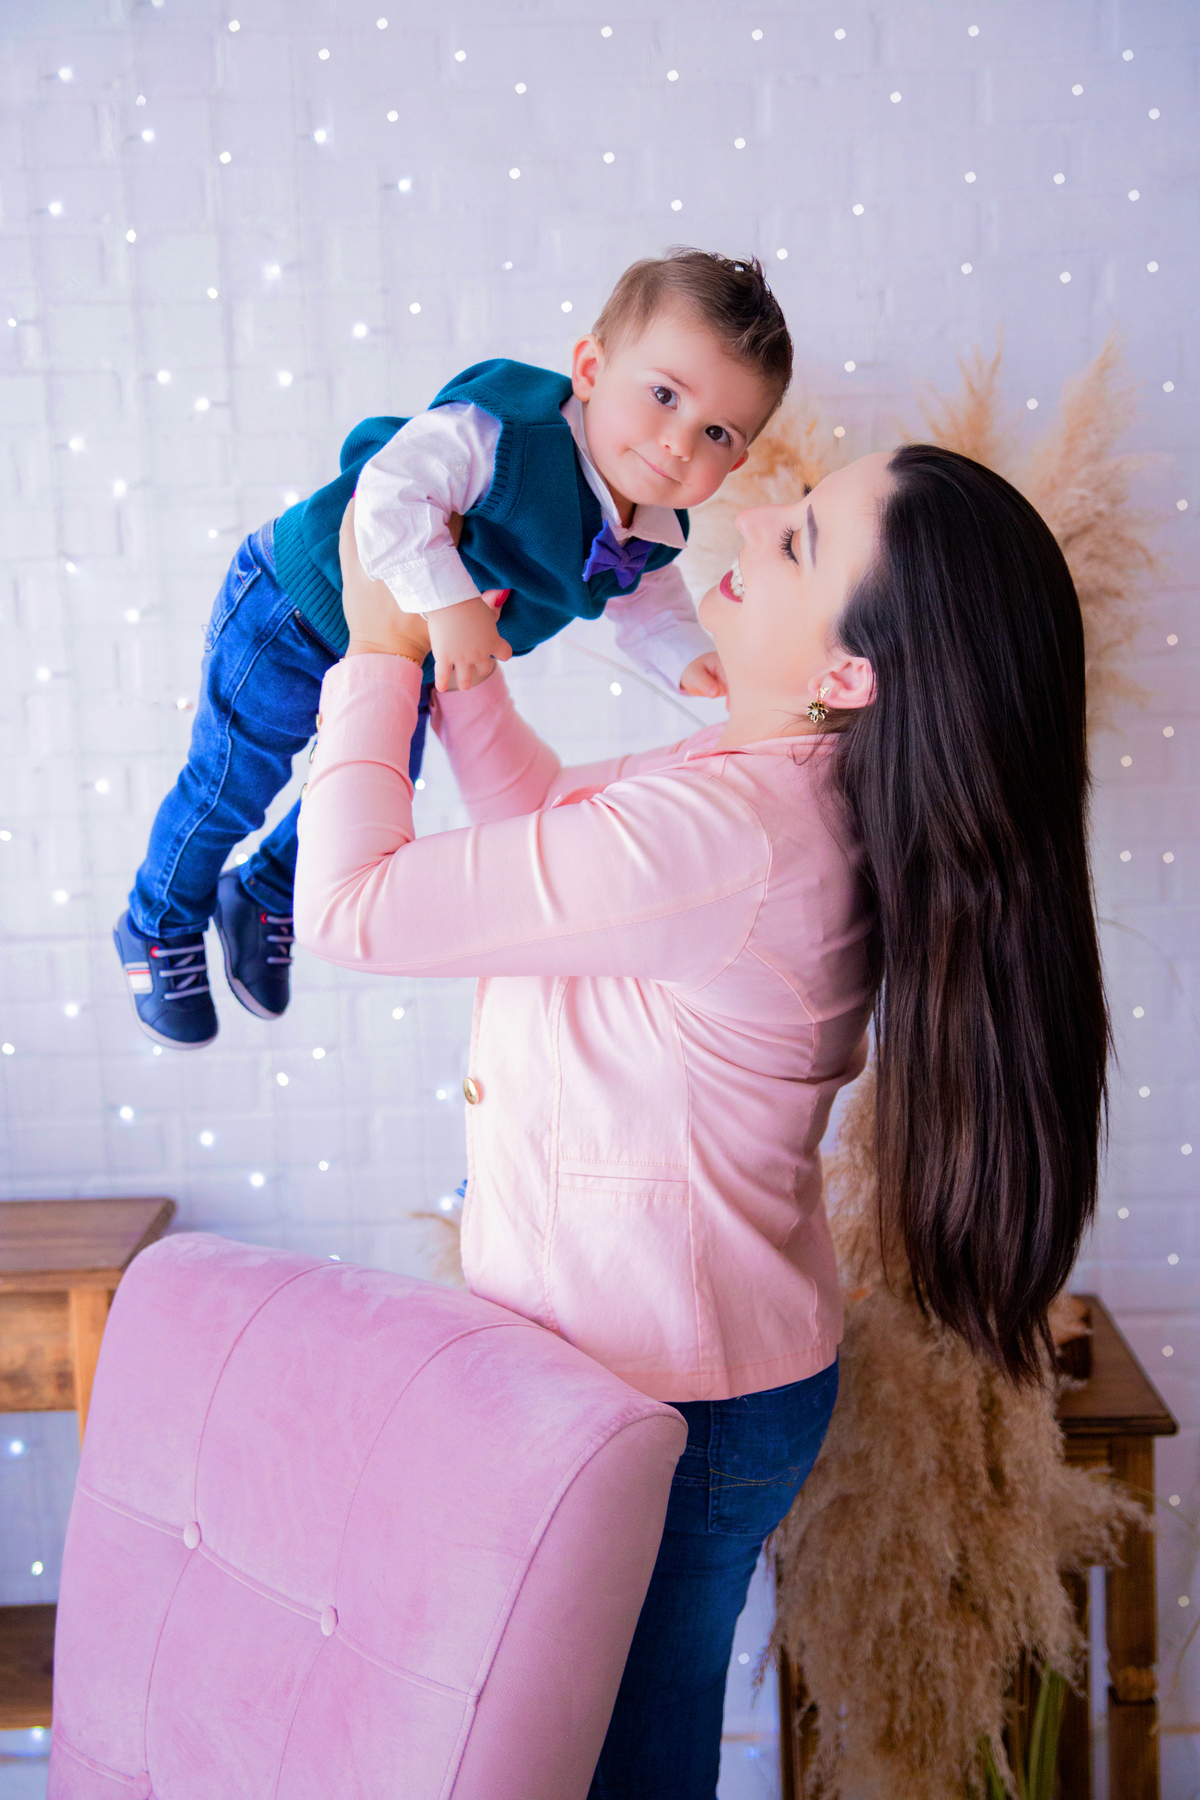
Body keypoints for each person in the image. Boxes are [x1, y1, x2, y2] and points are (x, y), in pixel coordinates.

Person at [293, 443, 1109, 1798]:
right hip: (682, 1377)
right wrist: (467, 679)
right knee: (601, 1744)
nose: (756, 518)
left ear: (848, 675)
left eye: (799, 541)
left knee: (617, 1761)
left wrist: (377, 661)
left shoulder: (737, 830)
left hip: (674, 1395)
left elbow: (349, 909)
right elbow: (563, 854)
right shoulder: (768, 783)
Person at [112, 249, 792, 1050]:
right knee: (235, 779)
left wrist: (691, 660)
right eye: (664, 395)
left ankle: (264, 892)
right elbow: (390, 491)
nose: (679, 442)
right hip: (296, 606)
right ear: (589, 368)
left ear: (738, 458)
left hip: (395, 663)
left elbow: (644, 604)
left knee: (376, 788)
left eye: (715, 431)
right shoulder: (505, 432)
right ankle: (157, 922)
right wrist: (449, 602)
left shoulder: (649, 531)